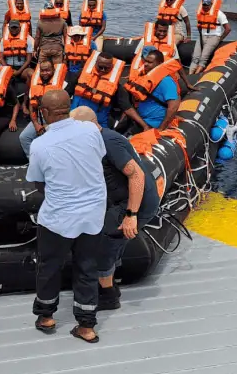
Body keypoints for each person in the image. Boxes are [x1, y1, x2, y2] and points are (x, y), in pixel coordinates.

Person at [27, 90, 107, 343]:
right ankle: (86, 326)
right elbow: (99, 157)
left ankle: (46, 315)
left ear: (45, 113)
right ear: (69, 106)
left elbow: (38, 182)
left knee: (49, 266)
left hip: (59, 218)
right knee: (87, 268)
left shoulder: (39, 144)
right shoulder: (91, 131)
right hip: (93, 214)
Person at [69, 106, 157, 311]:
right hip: (120, 200)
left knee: (104, 244)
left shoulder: (109, 142)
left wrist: (131, 214)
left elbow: (137, 175)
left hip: (132, 203)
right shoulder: (98, 140)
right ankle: (110, 286)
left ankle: (107, 296)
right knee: (109, 240)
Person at [18, 57, 68, 157]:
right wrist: (36, 124)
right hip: (39, 119)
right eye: (43, 70)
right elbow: (32, 106)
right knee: (24, 137)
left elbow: (65, 111)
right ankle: (34, 161)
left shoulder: (63, 84)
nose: (45, 73)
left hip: (55, 121)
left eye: (48, 70)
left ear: (53, 70)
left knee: (51, 142)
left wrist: (49, 126)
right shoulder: (35, 83)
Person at [122, 49, 181, 132]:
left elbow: (173, 107)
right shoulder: (144, 77)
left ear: (159, 64)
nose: (145, 64)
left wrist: (161, 128)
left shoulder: (166, 81)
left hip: (153, 123)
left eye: (150, 62)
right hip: (141, 120)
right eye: (145, 61)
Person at [71, 52, 130, 129]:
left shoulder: (116, 86)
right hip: (75, 119)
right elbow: (65, 92)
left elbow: (127, 106)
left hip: (98, 123)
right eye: (100, 67)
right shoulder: (80, 74)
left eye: (107, 68)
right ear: (96, 63)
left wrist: (144, 125)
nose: (103, 70)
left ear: (112, 66)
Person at [189, 0, 231, 75]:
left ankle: (196, 75)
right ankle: (190, 74)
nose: (205, 6)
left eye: (207, 5)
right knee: (195, 57)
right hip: (203, 36)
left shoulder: (219, 14)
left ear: (211, 5)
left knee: (203, 57)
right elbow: (199, 26)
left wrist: (220, 39)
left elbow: (228, 29)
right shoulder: (201, 13)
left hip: (214, 36)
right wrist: (201, 35)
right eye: (204, 5)